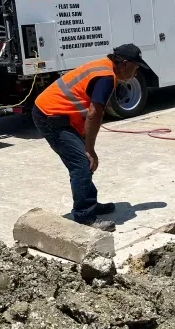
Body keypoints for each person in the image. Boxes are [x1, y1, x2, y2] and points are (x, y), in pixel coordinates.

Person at [32, 44, 151, 231]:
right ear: (124, 64)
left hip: (59, 115)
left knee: (84, 163)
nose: (135, 73)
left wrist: (86, 144)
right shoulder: (106, 77)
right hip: (50, 116)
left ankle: (90, 203)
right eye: (136, 68)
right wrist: (89, 149)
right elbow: (94, 114)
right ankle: (84, 217)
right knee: (81, 163)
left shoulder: (104, 66)